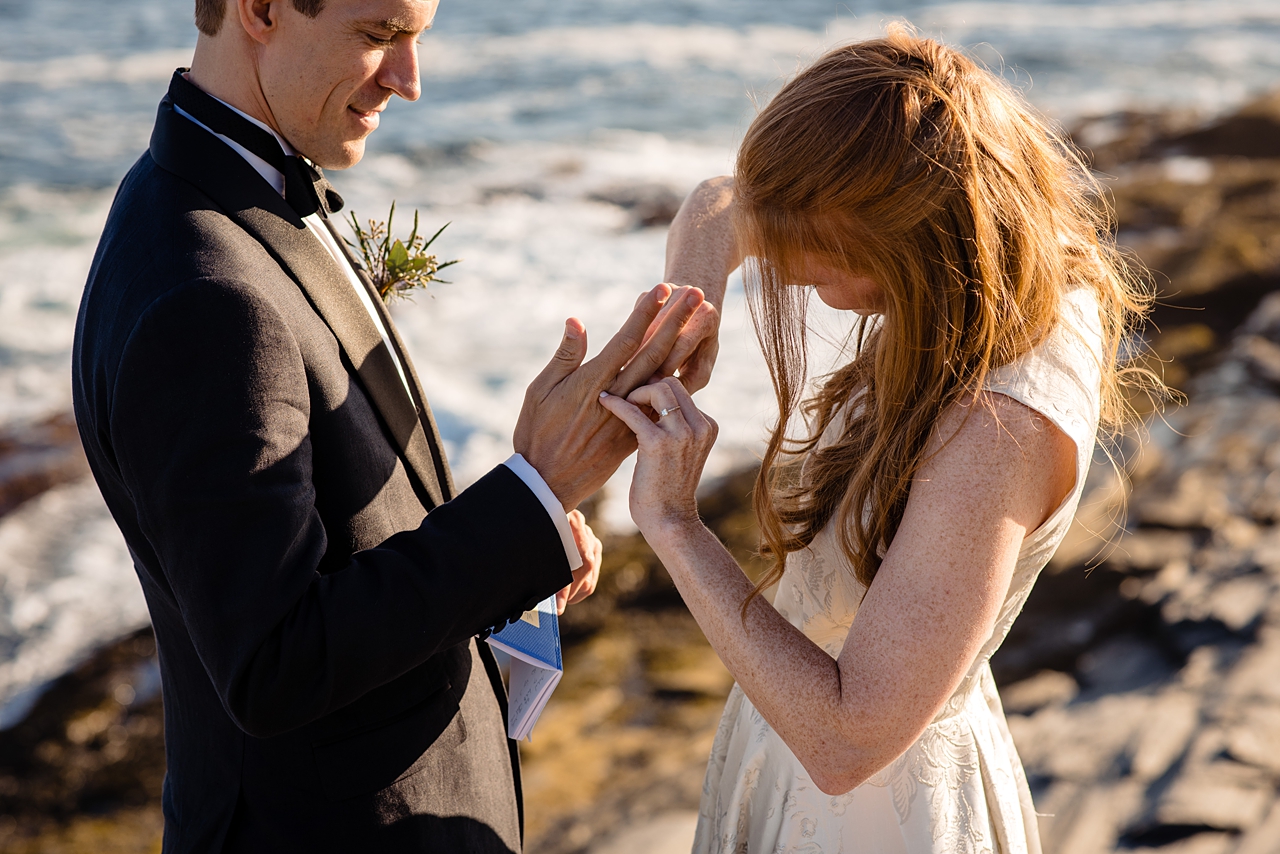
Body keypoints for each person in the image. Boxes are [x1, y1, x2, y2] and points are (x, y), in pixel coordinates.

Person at [71, 0, 719, 851]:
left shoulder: (220, 191)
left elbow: (333, 539)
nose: (409, 82)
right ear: (260, 9)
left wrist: (523, 542)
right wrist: (533, 491)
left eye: (418, 38)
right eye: (381, 37)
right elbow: (274, 664)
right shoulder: (208, 293)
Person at [602, 28, 1158, 854]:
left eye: (816, 243)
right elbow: (725, 200)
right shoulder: (1022, 284)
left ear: (912, 233)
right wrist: (696, 296)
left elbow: (847, 741)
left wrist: (675, 525)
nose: (785, 270)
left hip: (876, 817)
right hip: (787, 758)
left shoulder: (997, 430)